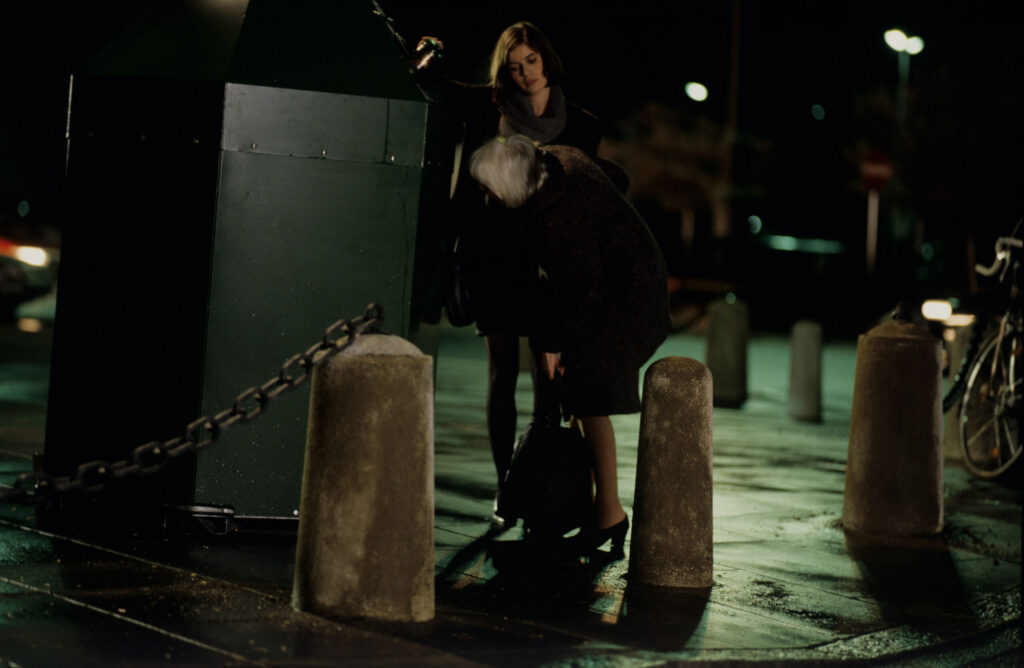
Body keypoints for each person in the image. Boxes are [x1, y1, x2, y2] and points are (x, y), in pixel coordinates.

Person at [416, 22, 604, 528]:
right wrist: (423, 53)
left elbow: (587, 198)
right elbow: (438, 85)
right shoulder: (488, 107)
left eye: (532, 62)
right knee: (501, 373)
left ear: (547, 60)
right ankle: (504, 486)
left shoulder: (581, 125)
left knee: (549, 378)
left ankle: (538, 483)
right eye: (515, 65)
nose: (524, 73)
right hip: (492, 255)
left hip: (549, 262)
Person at [468, 135, 671, 553]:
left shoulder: (561, 216)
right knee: (581, 397)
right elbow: (618, 176)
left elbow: (582, 288)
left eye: (489, 186)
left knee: (589, 401)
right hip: (628, 289)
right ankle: (594, 510)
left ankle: (610, 515)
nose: (484, 194)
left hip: (625, 305)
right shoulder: (560, 161)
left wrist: (553, 345)